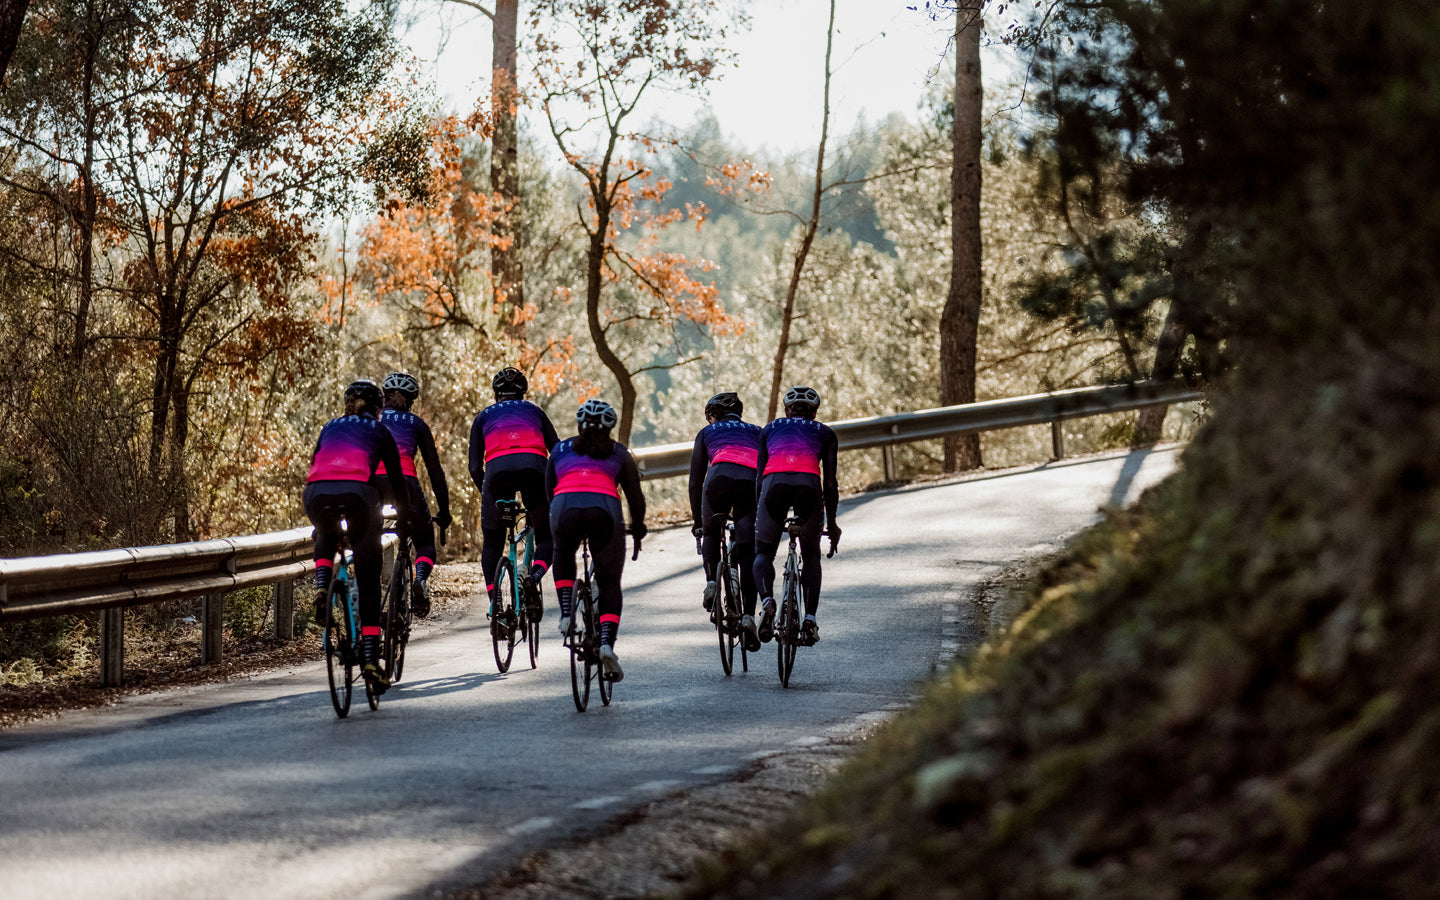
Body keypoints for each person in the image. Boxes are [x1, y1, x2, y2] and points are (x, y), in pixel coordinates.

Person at [304, 380, 412, 694]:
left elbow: (316, 465)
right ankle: (369, 659)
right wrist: (404, 522)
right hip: (359, 494)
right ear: (379, 409)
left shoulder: (329, 427)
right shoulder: (381, 431)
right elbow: (397, 482)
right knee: (367, 577)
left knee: (326, 530)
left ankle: (323, 584)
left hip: (315, 492)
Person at [545, 399, 647, 681]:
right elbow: (635, 498)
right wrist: (637, 528)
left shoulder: (559, 449)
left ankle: (566, 613)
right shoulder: (619, 453)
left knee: (563, 552)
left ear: (579, 425)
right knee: (609, 582)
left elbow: (549, 491)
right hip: (605, 511)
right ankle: (606, 644)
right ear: (610, 428)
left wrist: (558, 527)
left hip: (564, 508)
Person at [469, 367, 560, 628]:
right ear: (523, 393)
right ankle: (533, 576)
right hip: (535, 470)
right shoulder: (534, 411)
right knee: (546, 536)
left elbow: (475, 468)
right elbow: (558, 451)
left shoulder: (483, 416)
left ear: (496, 394)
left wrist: (489, 495)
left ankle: (495, 602)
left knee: (492, 544)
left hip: (497, 476)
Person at [752, 385, 841, 647]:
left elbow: (759, 477)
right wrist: (832, 523)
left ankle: (767, 601)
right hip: (808, 486)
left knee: (763, 554)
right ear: (814, 412)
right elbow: (830, 485)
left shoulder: (769, 429)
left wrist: (760, 511)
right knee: (811, 555)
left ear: (786, 410)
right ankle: (810, 619)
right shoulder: (826, 433)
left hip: (773, 486)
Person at [687, 391, 763, 652]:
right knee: (747, 549)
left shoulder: (707, 433)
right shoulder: (757, 430)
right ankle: (749, 617)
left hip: (718, 478)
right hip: (748, 481)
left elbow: (696, 480)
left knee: (711, 532)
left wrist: (698, 520)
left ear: (712, 416)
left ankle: (711, 583)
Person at [377, 372, 451, 618]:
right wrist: (444, 511)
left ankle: (363, 595)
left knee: (367, 536)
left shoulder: (370, 419)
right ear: (410, 401)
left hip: (370, 481)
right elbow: (435, 472)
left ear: (384, 396)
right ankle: (419, 578)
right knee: (426, 543)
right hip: (405, 481)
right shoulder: (416, 423)